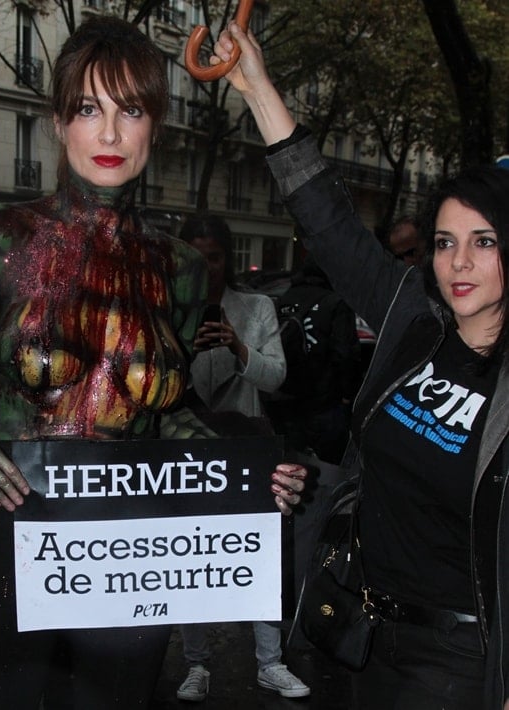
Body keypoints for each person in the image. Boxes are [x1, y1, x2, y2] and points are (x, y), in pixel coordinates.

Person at [0, 17, 307, 710]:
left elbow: (167, 416)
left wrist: (245, 473)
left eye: (130, 110)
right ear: (59, 121)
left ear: (154, 125)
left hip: (128, 559)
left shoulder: (180, 268)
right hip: (12, 537)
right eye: (88, 109)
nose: (108, 134)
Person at [208, 20, 509, 710]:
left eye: (484, 242)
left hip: (463, 658)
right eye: (444, 241)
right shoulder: (415, 326)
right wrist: (256, 87)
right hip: (363, 633)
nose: (458, 262)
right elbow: (329, 222)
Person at [174, 213, 309, 701]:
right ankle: (195, 663)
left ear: (226, 259)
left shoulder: (256, 306)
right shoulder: (167, 308)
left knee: (260, 550)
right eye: (195, 256)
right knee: (186, 550)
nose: (205, 267)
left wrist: (236, 344)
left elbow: (275, 377)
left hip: (248, 446)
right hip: (186, 448)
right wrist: (186, 349)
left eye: (213, 256)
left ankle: (270, 662)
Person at [269, 254, 360, 464]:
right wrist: (348, 394)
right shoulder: (335, 302)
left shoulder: (284, 299)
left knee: (291, 466)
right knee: (331, 468)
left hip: (287, 399)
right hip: (325, 402)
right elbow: (345, 354)